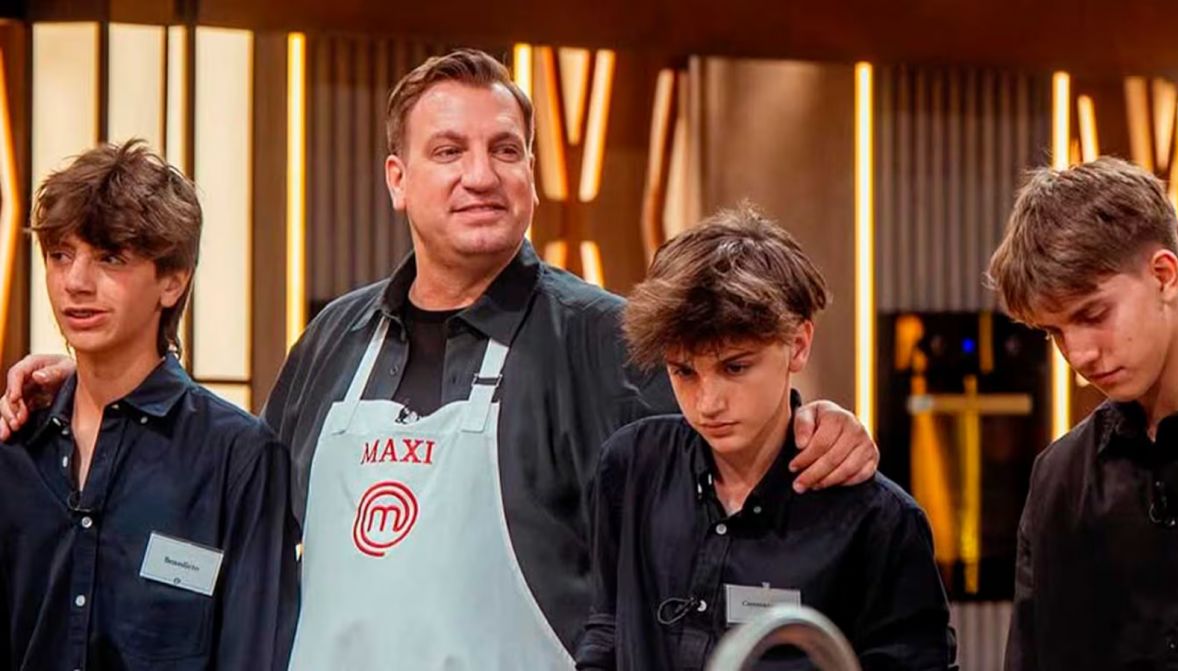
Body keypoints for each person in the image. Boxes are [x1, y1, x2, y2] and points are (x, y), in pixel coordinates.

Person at [1, 51, 879, 668]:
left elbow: (730, 490)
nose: (481, 175)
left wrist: (815, 422)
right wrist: (94, 383)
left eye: (506, 150)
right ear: (397, 179)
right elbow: (228, 490)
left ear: (532, 173)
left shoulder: (606, 339)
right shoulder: (333, 338)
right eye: (449, 151)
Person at [576, 206, 955, 670]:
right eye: (684, 372)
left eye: (735, 367)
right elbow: (607, 628)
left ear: (798, 344)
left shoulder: (878, 522)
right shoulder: (632, 464)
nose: (707, 403)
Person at [0, 140, 298, 670]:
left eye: (109, 258)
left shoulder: (238, 457)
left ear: (172, 282)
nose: (75, 282)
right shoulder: (15, 444)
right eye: (60, 255)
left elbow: (254, 654)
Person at [988, 157, 1178, 669]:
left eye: (1093, 314)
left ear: (1164, 275)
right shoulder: (1057, 477)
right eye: (1055, 332)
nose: (1079, 355)